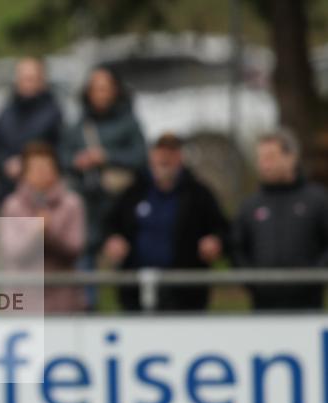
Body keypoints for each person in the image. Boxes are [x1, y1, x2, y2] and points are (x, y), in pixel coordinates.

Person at [102, 133, 228, 311]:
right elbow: (110, 224)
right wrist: (113, 239)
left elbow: (221, 228)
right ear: (151, 156)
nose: (165, 159)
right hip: (136, 290)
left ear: (180, 157)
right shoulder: (133, 192)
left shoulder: (199, 194)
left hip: (186, 293)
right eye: (161, 153)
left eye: (171, 153)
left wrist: (215, 241)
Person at [61, 66, 147, 306]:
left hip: (122, 207)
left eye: (106, 88)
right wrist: (77, 162)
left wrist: (107, 156)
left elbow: (140, 157)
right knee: (85, 267)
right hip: (88, 206)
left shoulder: (129, 123)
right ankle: (89, 314)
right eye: (96, 88)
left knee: (127, 272)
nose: (101, 94)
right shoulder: (78, 126)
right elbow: (62, 156)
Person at [233, 129, 328, 310]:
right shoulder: (250, 205)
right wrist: (253, 283)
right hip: (263, 307)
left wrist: (315, 278)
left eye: (270, 157)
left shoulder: (318, 200)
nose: (264, 164)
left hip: (308, 307)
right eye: (260, 158)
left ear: (291, 157)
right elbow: (237, 247)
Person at [0, 142, 85, 313]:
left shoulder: (72, 204)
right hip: (23, 300)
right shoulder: (13, 205)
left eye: (46, 167)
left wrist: (50, 233)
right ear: (24, 173)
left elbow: (75, 248)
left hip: (63, 300)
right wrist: (37, 231)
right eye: (35, 168)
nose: (41, 173)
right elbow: (13, 252)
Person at [0, 57, 62, 207]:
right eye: (23, 78)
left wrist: (27, 165)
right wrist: (4, 163)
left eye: (31, 78)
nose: (27, 83)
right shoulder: (5, 112)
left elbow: (60, 150)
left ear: (42, 80)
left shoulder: (53, 113)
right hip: (8, 191)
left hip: (43, 196)